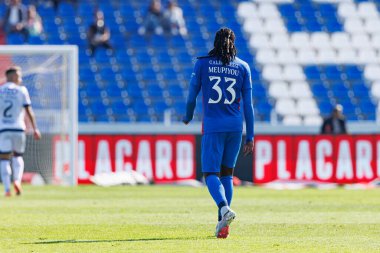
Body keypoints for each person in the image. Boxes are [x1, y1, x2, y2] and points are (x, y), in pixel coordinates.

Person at [183, 28, 254, 238]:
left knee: (210, 174)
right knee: (227, 175)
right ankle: (223, 226)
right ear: (234, 42)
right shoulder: (243, 66)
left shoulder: (203, 63)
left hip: (213, 127)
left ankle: (223, 208)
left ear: (215, 42)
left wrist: (187, 116)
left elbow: (191, 97)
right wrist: (250, 136)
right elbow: (248, 106)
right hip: (235, 127)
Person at [0, 66, 41, 197]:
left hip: (3, 129)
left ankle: (7, 189)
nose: (21, 79)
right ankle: (17, 181)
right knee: (18, 156)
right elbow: (29, 110)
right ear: (12, 77)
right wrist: (35, 128)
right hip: (18, 128)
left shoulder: (0, 91)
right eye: (19, 76)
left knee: (4, 159)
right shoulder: (22, 90)